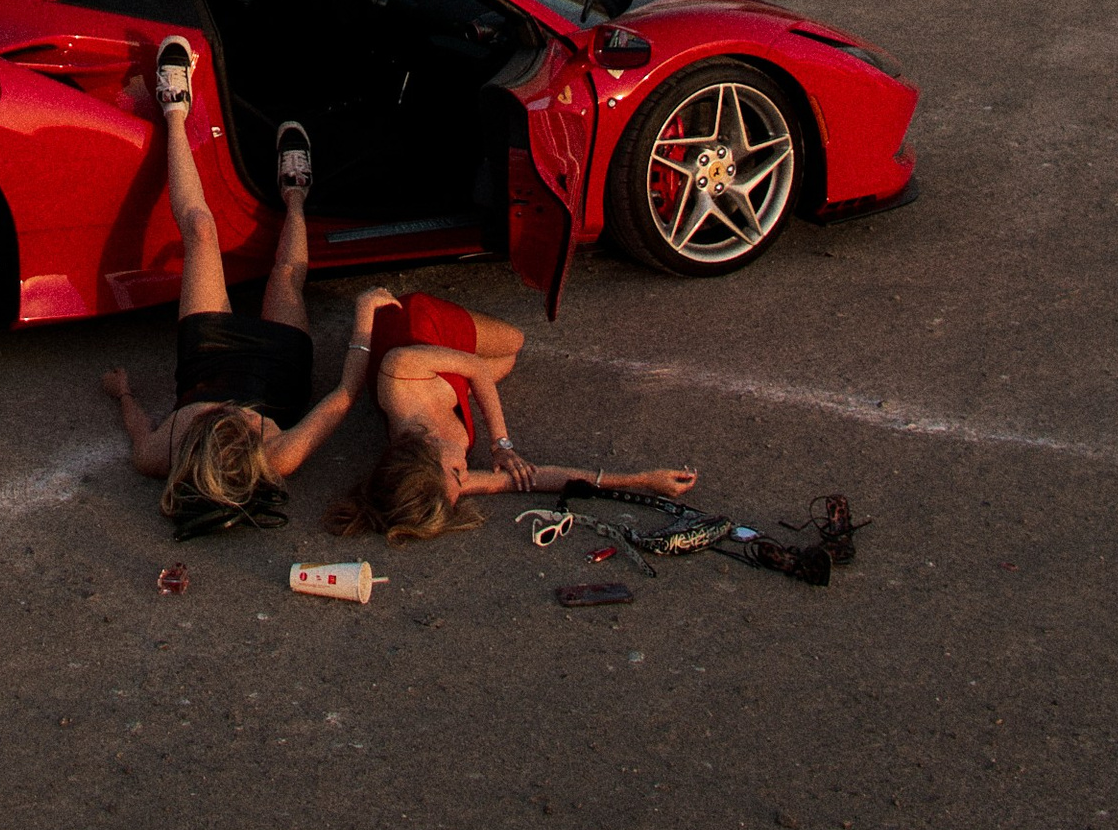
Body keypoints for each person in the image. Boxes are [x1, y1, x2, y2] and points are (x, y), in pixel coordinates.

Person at [100, 40, 390, 535]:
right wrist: (365, 326)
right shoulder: (281, 456)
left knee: (201, 231)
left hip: (209, 355)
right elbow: (341, 396)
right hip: (279, 370)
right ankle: (296, 194)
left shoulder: (162, 454)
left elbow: (139, 433)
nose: (227, 415)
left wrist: (122, 394)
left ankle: (174, 112)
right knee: (286, 276)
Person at [328, 290, 700, 545]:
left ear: (422, 453)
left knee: (514, 343)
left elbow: (474, 367)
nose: (466, 471)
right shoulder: (442, 478)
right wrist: (641, 480)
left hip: (416, 324)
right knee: (503, 366)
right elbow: (537, 480)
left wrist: (501, 444)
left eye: (458, 473)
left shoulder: (399, 374)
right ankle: (460, 387)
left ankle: (452, 342)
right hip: (445, 378)